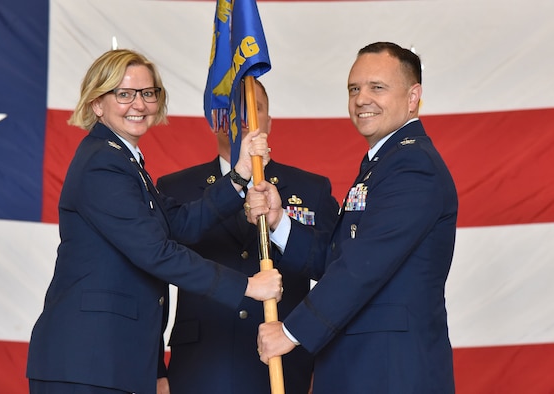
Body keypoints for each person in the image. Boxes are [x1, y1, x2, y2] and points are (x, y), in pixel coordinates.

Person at [25, 49, 283, 394]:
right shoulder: (103, 164)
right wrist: (248, 286)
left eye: (147, 93)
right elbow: (156, 252)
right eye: (124, 94)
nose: (139, 104)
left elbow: (179, 223)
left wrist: (237, 176)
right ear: (97, 103)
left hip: (110, 360)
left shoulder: (124, 161)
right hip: (87, 362)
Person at [246, 42, 458, 393]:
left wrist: (290, 331)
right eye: (354, 89)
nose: (362, 99)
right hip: (362, 365)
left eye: (377, 87)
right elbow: (339, 257)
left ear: (413, 96)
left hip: (390, 370)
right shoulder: (383, 163)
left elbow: (364, 265)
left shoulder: (414, 166)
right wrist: (278, 221)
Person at [156, 79, 339, 394]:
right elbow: (154, 283)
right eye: (233, 110)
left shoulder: (312, 189)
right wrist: (156, 370)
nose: (245, 118)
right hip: (200, 366)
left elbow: (336, 275)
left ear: (268, 121)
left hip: (282, 365)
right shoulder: (177, 189)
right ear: (216, 120)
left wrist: (317, 354)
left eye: (255, 110)